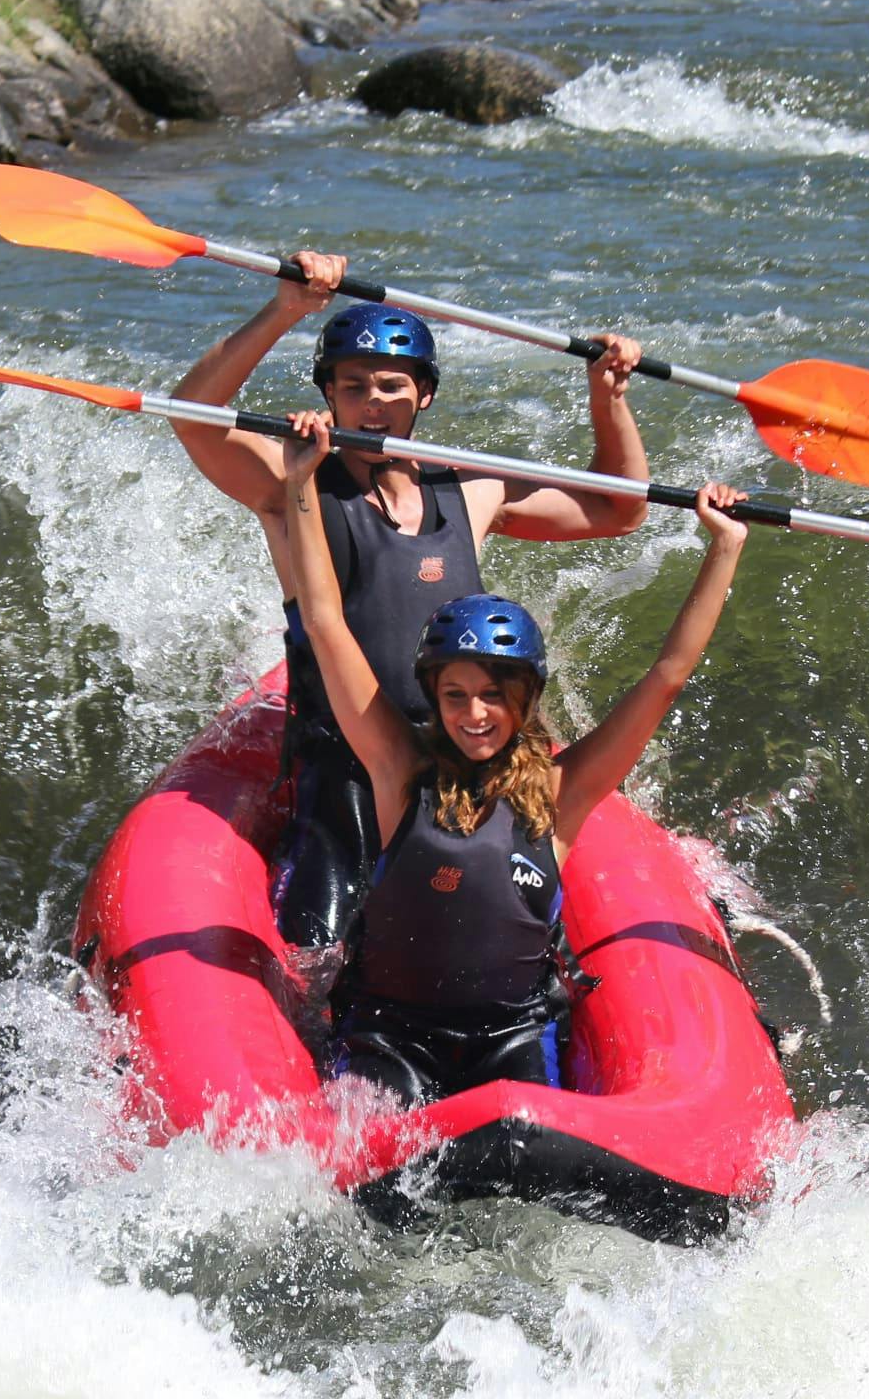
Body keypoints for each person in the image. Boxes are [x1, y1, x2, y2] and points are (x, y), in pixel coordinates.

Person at [169, 263, 650, 952]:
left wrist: (607, 397)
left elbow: (618, 509)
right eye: (353, 386)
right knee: (323, 950)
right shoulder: (291, 484)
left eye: (392, 386)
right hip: (346, 769)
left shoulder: (472, 489)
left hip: (465, 759)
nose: (372, 401)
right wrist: (285, 311)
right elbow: (192, 417)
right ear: (328, 395)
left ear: (422, 394)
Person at [277, 411, 750, 1103]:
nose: (474, 715)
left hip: (511, 1038)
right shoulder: (398, 769)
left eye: (495, 696)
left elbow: (667, 675)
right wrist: (298, 484)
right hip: (392, 1034)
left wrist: (725, 548)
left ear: (527, 700)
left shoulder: (564, 790)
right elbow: (324, 620)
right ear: (432, 696)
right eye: (456, 695)